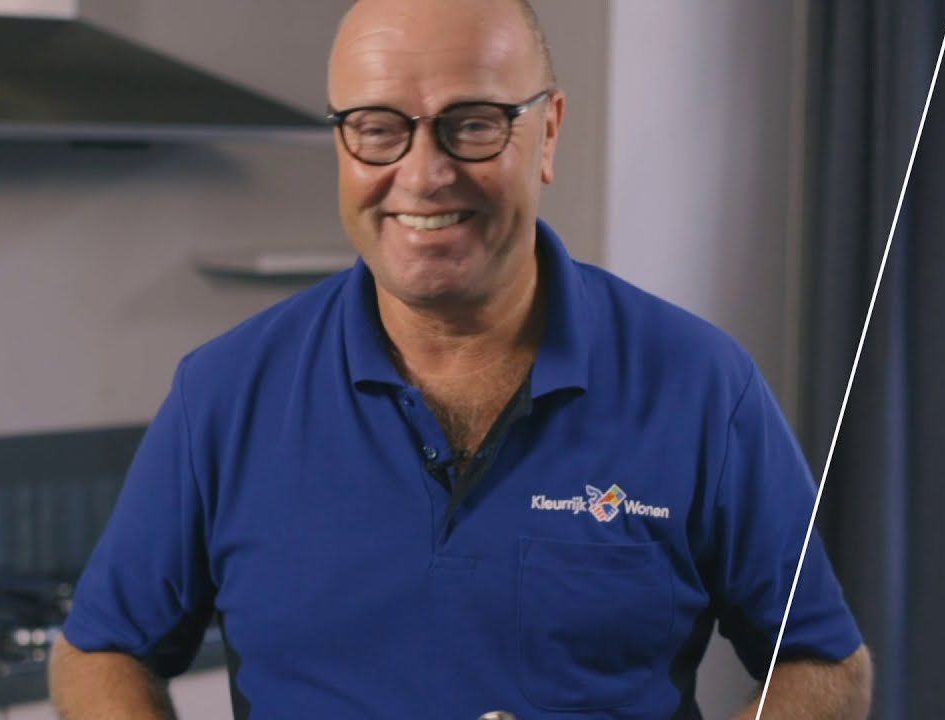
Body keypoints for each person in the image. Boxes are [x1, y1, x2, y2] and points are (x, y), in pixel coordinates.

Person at [49, 0, 873, 717]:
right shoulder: (223, 393)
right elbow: (99, 650)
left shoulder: (701, 386)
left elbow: (823, 664)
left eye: (473, 123)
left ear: (548, 131)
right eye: (378, 128)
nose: (424, 174)